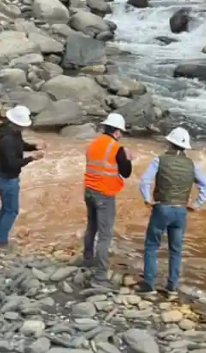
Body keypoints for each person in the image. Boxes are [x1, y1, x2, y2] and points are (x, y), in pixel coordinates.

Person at [135, 127, 206, 298]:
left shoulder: (159, 160)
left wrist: (147, 199)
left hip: (162, 208)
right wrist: (196, 204)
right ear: (185, 147)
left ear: (169, 143)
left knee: (152, 246)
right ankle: (172, 289)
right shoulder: (193, 165)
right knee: (175, 250)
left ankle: (149, 285)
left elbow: (144, 181)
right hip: (181, 210)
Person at [82, 112, 133, 287]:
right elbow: (126, 173)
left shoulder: (92, 144)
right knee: (105, 235)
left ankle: (87, 258)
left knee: (91, 227)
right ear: (117, 132)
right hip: (104, 194)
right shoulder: (116, 148)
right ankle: (100, 277)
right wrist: (128, 158)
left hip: (88, 190)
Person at [0, 105, 45, 251]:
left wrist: (34, 147)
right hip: (7, 179)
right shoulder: (8, 139)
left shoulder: (8, 130)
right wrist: (31, 158)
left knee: (6, 210)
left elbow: (19, 146)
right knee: (11, 211)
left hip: (3, 176)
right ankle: (1, 243)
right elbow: (12, 164)